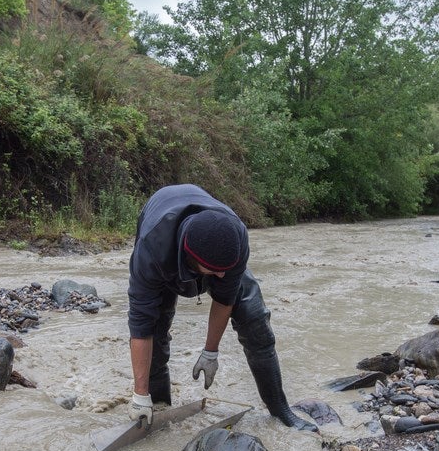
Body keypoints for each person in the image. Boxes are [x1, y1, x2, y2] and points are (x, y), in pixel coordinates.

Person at [126, 183, 318, 433]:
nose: (222, 276)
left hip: (217, 244)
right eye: (215, 271)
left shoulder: (235, 237)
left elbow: (225, 299)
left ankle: (280, 408)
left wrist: (211, 351)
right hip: (162, 234)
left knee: (255, 321)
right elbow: (141, 325)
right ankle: (156, 406)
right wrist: (139, 394)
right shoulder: (152, 249)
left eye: (225, 270)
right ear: (192, 260)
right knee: (156, 329)